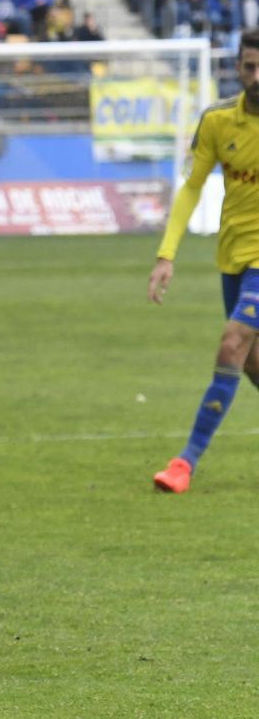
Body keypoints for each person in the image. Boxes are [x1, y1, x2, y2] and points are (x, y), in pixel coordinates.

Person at [149, 29, 259, 493]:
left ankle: (185, 462)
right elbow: (193, 185)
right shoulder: (217, 121)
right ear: (237, 68)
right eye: (249, 66)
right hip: (232, 254)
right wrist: (166, 255)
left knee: (232, 342)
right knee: (252, 363)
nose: (257, 76)